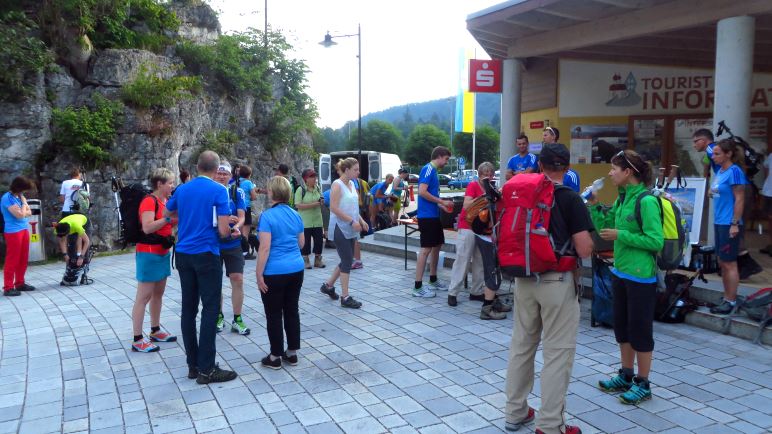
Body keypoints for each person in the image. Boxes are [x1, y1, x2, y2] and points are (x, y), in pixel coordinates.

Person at [504, 143, 594, 433]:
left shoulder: (524, 194)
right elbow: (583, 249)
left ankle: (515, 412)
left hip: (524, 278)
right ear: (566, 168)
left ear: (539, 166)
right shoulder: (571, 199)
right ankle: (550, 424)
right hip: (557, 282)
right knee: (557, 353)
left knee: (521, 347)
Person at [588, 149, 663, 407]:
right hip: (620, 271)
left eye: (614, 169)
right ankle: (626, 374)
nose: (610, 173)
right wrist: (596, 205)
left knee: (641, 330)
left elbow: (656, 241)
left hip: (641, 276)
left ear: (628, 172)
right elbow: (605, 228)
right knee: (622, 327)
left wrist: (622, 235)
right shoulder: (622, 199)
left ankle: (643, 383)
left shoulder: (646, 201)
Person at [164, 150, 238, 385]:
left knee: (188, 309)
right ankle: (207, 369)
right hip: (206, 253)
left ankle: (193, 366)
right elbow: (225, 231)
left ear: (197, 167)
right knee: (210, 308)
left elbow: (168, 212)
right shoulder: (219, 190)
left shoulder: (183, 189)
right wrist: (230, 231)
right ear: (217, 170)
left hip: (184, 253)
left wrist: (188, 217)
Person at [256, 176, 305, 369]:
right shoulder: (296, 214)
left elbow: (264, 248)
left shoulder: (267, 217)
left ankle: (275, 356)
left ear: (272, 193)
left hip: (274, 272)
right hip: (296, 269)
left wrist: (259, 273)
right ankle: (292, 353)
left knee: (274, 313)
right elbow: (301, 243)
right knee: (292, 309)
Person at [130, 168, 177, 353]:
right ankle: (137, 339)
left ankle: (155, 330)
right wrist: (167, 219)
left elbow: (167, 223)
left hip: (162, 252)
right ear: (160, 184)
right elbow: (148, 227)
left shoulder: (164, 201)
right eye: (170, 183)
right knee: (143, 297)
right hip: (148, 253)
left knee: (158, 294)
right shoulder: (149, 201)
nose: (172, 186)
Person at [320, 158, 369, 308]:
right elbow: (334, 208)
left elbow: (353, 208)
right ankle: (345, 297)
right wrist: (351, 221)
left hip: (350, 227)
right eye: (355, 169)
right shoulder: (337, 185)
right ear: (346, 170)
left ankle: (328, 286)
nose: (358, 172)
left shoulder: (353, 184)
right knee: (348, 260)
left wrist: (361, 220)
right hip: (339, 228)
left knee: (346, 259)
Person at [708, 139, 748, 314]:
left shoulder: (735, 171)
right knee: (722, 262)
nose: (713, 157)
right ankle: (727, 297)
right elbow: (720, 191)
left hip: (729, 223)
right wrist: (712, 191)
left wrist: (734, 224)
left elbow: (740, 198)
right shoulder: (721, 172)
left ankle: (731, 301)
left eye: (717, 154)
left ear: (728, 154)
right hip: (719, 221)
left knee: (729, 263)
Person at [214, 162, 251, 336]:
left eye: (225, 174)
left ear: (230, 176)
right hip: (213, 243)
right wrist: (223, 219)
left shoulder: (237, 192)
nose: (222, 176)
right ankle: (218, 316)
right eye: (219, 173)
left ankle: (237, 319)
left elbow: (242, 217)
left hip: (233, 242)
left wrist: (237, 226)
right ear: (214, 174)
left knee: (237, 279)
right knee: (215, 283)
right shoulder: (210, 192)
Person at [412, 146, 454, 298]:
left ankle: (433, 279)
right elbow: (422, 192)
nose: (446, 162)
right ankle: (417, 287)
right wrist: (441, 200)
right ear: (440, 156)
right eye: (446, 159)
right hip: (426, 216)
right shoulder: (428, 169)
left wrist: (441, 204)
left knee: (437, 246)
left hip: (433, 215)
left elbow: (430, 194)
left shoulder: (434, 171)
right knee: (426, 250)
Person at [447, 162, 487, 308]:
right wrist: (483, 198)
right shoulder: (473, 185)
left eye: (490, 174)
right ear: (480, 174)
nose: (488, 177)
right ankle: (453, 292)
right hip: (467, 226)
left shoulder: (489, 187)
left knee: (479, 261)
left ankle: (476, 291)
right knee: (462, 259)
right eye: (485, 174)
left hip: (481, 229)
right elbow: (466, 205)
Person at [2, 176, 34, 296]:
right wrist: (25, 203)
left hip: (23, 229)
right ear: (19, 188)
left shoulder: (18, 197)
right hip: (13, 232)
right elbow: (20, 215)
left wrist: (23, 209)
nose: (25, 192)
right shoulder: (7, 198)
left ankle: (20, 283)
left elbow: (29, 213)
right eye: (24, 189)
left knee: (23, 258)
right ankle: (8, 287)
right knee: (13, 259)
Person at [295, 168, 325, 269]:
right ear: (305, 179)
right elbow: (298, 205)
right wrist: (315, 204)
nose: (314, 179)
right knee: (306, 241)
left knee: (319, 241)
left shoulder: (318, 187)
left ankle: (318, 260)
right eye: (311, 177)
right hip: (305, 221)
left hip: (317, 220)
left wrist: (321, 200)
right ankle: (305, 260)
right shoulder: (300, 190)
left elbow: (321, 198)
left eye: (315, 176)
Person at [238, 165, 258, 260]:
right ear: (249, 174)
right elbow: (254, 197)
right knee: (245, 233)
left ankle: (239, 251)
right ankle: (245, 253)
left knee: (239, 231)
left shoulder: (236, 182)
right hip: (246, 208)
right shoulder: (248, 183)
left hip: (237, 209)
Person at [761, 152, 772, 256]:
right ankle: (770, 244)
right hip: (769, 191)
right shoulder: (771, 155)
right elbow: (766, 170)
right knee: (769, 219)